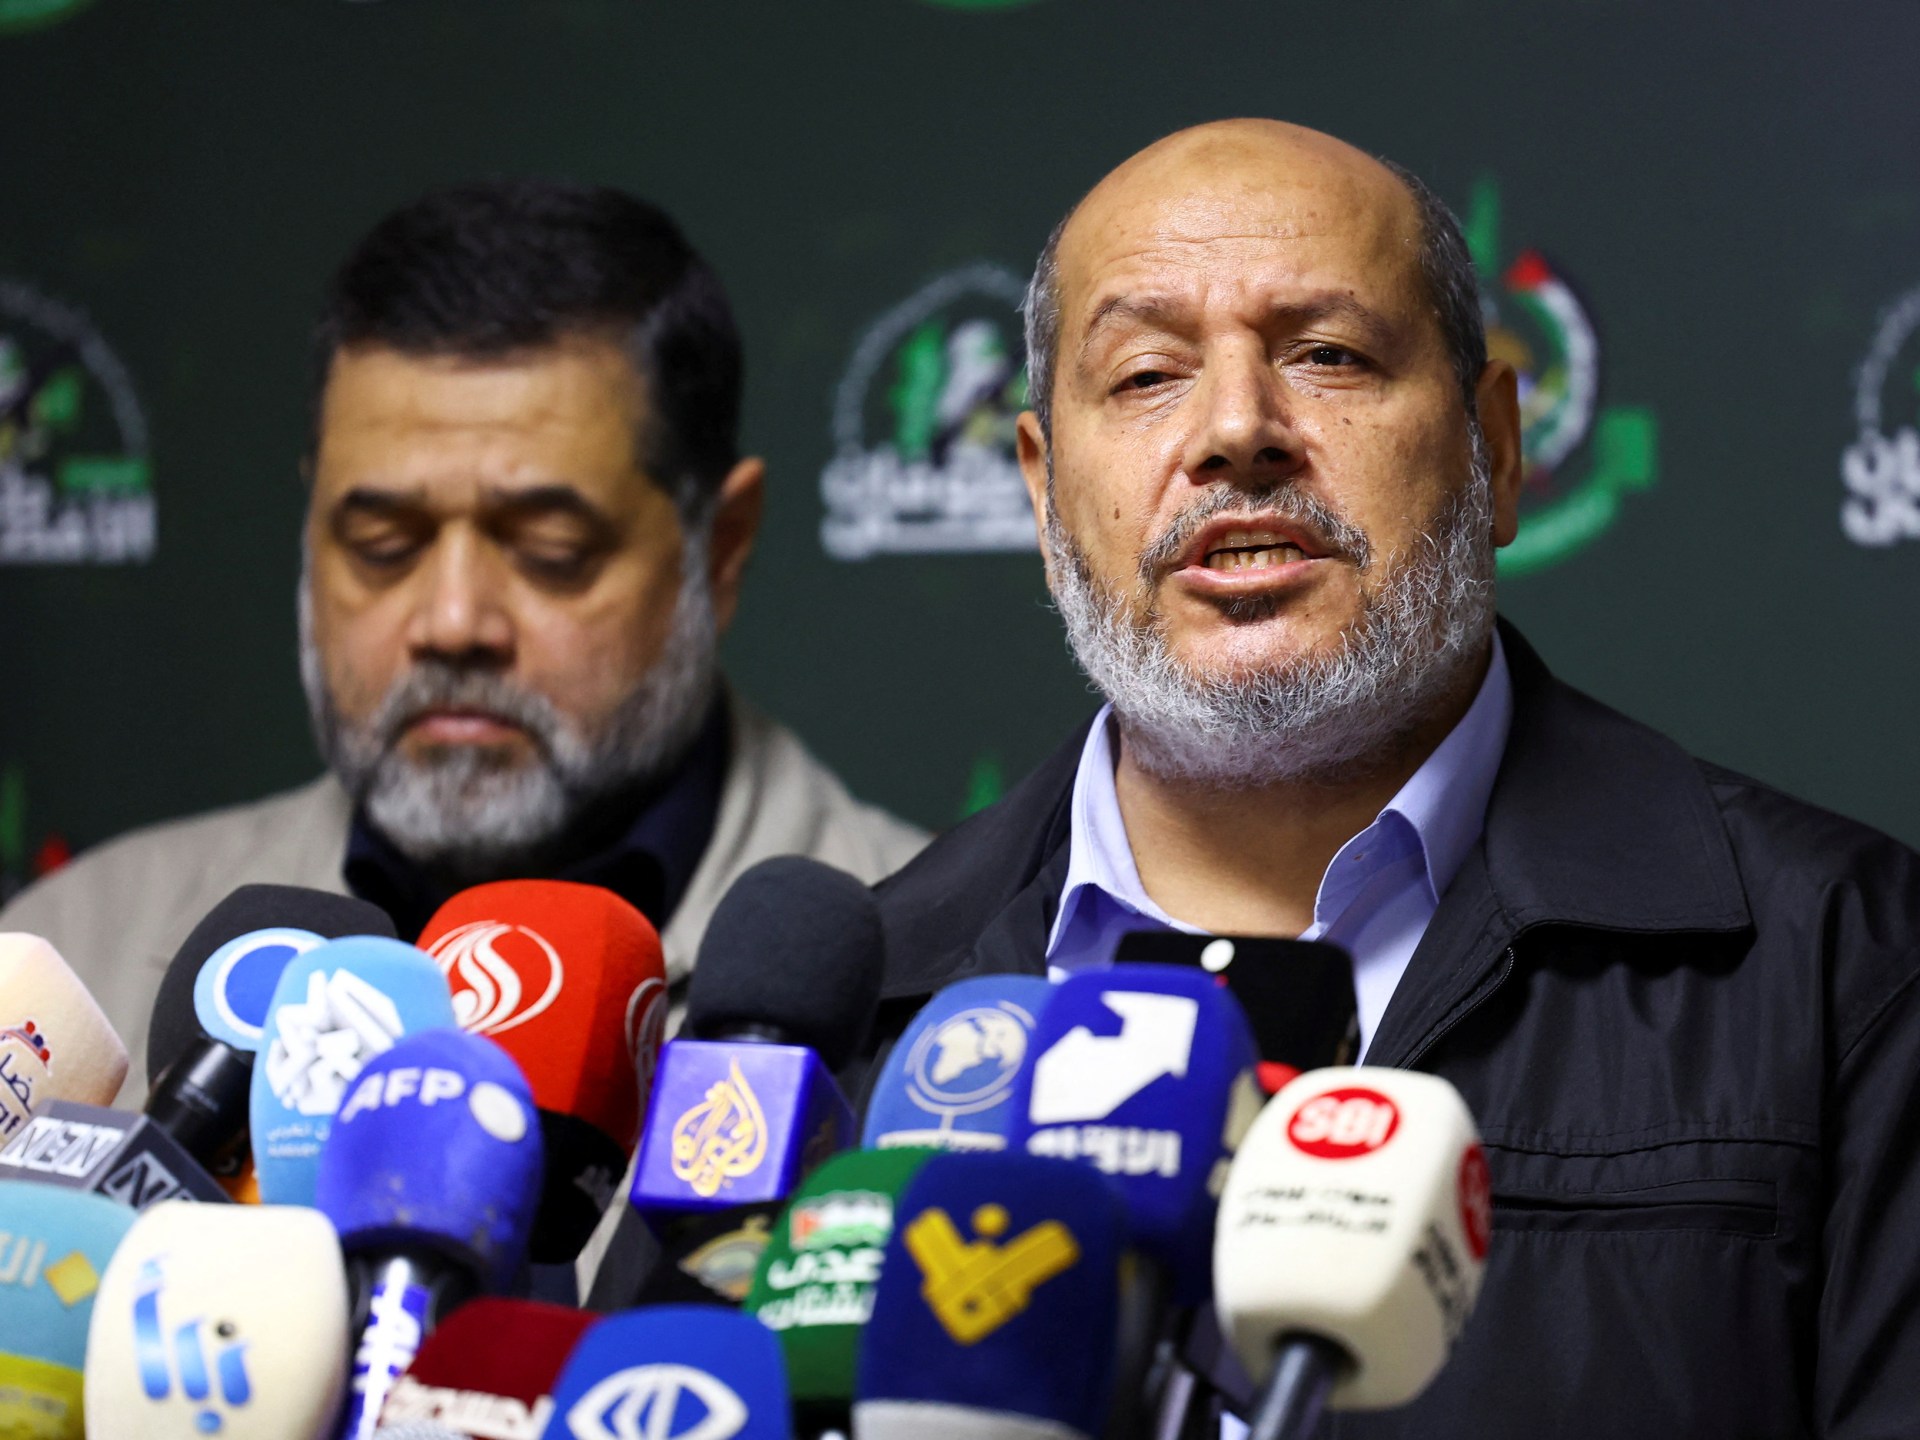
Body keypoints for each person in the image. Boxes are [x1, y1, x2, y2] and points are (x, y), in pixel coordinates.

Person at [869, 120, 1920, 1436]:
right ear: (1041, 494)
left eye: (1328, 355)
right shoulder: (855, 1019)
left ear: (1497, 451)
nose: (1236, 431)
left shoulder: (1848, 971)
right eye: (1145, 375)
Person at [2, 180, 926, 1086]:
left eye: (551, 551)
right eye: (383, 545)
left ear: (720, 550)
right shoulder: (73, 967)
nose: (451, 623)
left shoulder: (947, 987)